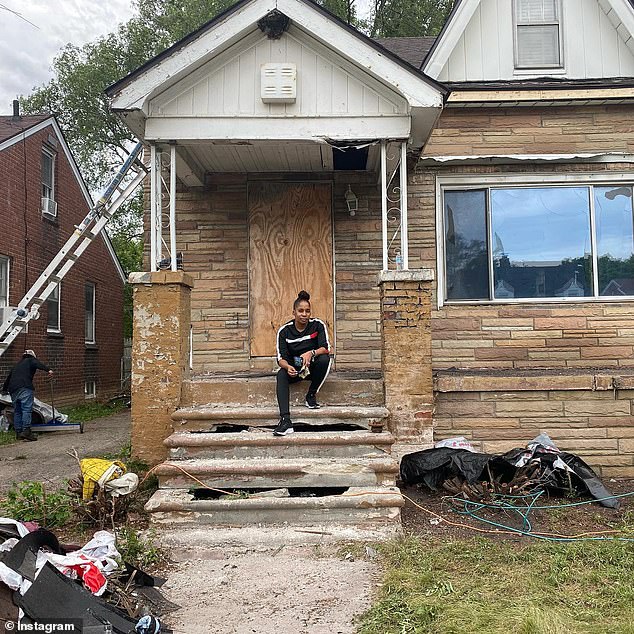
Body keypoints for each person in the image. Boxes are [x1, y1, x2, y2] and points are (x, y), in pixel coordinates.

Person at [273, 290, 331, 436]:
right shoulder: (284, 331)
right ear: (294, 312)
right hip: (296, 369)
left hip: (313, 368)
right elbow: (281, 358)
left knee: (325, 359)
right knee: (281, 375)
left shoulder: (317, 325)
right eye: (300, 311)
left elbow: (325, 349)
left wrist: (311, 353)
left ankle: (311, 395)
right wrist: (288, 367)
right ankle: (285, 420)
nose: (304, 314)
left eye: (307, 311)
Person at [1, 350, 53, 441]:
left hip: (13, 390)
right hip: (25, 387)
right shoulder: (31, 360)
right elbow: (37, 364)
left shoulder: (17, 365)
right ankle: (26, 432)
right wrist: (48, 370)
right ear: (33, 355)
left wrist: (4, 390)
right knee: (26, 409)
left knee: (17, 411)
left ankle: (18, 433)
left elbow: (8, 378)